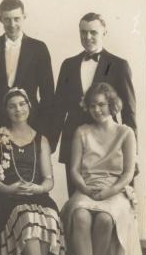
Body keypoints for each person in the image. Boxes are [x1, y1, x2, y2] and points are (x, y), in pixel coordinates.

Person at [0, 87, 71, 255]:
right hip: (6, 197)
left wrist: (39, 189)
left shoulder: (41, 139)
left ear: (29, 107)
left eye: (22, 104)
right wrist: (8, 189)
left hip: (35, 194)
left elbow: (49, 179)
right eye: (12, 106)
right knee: (27, 217)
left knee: (49, 215)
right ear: (6, 110)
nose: (18, 109)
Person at [61, 82, 144, 255]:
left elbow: (128, 173)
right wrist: (86, 189)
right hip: (87, 187)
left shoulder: (125, 132)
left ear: (112, 105)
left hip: (115, 189)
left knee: (106, 219)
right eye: (92, 106)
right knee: (79, 215)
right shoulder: (82, 131)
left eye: (101, 104)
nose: (97, 110)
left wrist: (110, 190)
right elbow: (74, 171)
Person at [52, 12, 137, 195]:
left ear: (104, 32)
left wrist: (132, 153)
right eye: (83, 32)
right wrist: (48, 144)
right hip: (74, 140)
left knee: (109, 201)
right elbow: (58, 108)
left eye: (93, 32)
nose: (87, 37)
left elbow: (129, 111)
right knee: (77, 199)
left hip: (109, 144)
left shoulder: (119, 65)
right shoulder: (68, 64)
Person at [0, 0, 55, 156]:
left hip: (30, 125)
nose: (12, 24)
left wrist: (43, 132)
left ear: (24, 17)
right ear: (0, 19)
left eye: (16, 19)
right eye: (7, 19)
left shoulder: (38, 48)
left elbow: (48, 95)